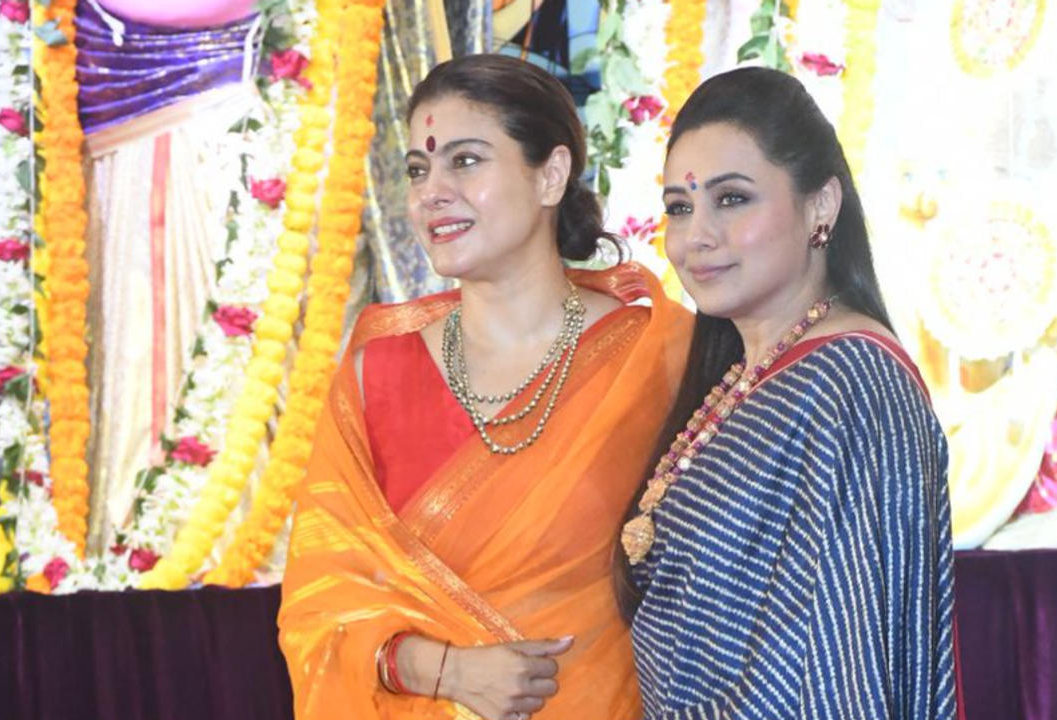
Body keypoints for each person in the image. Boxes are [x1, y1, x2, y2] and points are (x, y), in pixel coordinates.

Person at [277, 54, 691, 720]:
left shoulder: (658, 359)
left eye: (465, 161)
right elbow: (320, 606)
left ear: (551, 174)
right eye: (418, 169)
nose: (430, 192)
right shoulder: (376, 377)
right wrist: (448, 671)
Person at [615, 67, 957, 719]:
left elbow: (840, 674)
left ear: (820, 207)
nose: (697, 237)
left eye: (733, 199)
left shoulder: (850, 383)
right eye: (680, 208)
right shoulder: (739, 379)